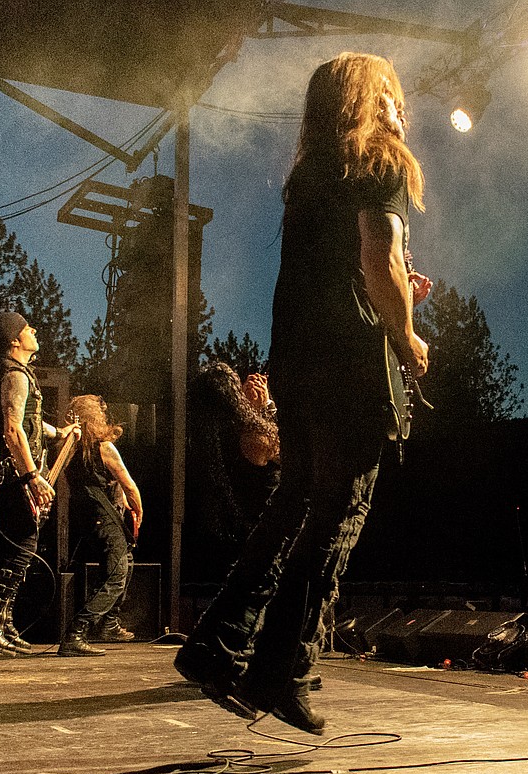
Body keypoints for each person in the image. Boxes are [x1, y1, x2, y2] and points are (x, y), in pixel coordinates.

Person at [174, 52, 431, 735]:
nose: (402, 109)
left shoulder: (308, 176)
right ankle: (278, 669)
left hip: (298, 360)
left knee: (291, 506)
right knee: (337, 516)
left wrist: (391, 294)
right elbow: (379, 259)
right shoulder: (383, 162)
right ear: (369, 101)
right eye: (393, 96)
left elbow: (354, 268)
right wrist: (407, 333)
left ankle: (216, 642)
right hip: (350, 367)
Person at [0, 311, 80, 655]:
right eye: (28, 328)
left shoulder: (20, 374)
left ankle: (4, 620)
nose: (34, 331)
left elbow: (29, 423)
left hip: (20, 473)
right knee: (23, 548)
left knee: (23, 548)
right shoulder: (15, 375)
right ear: (15, 339)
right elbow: (12, 428)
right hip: (15, 475)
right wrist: (32, 476)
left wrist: (58, 433)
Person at [59, 395, 144, 657]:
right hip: (104, 517)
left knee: (123, 561)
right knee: (116, 575)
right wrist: (138, 510)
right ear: (97, 418)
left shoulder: (69, 449)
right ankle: (76, 632)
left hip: (87, 516)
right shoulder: (104, 448)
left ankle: (109, 623)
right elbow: (128, 484)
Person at [183, 363, 280, 587]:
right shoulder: (250, 434)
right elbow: (291, 455)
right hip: (266, 525)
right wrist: (266, 406)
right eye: (237, 384)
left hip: (239, 532)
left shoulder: (210, 438)